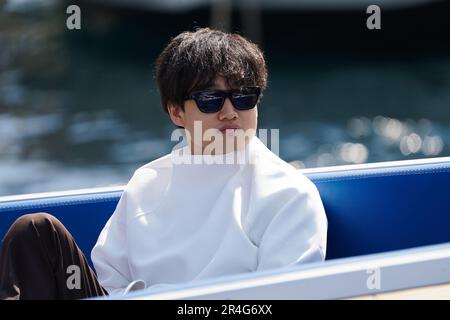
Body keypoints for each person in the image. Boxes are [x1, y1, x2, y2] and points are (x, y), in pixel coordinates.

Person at [0, 27, 327, 300]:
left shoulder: (290, 195)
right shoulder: (147, 181)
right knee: (36, 232)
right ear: (176, 112)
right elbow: (109, 281)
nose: (230, 112)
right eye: (211, 100)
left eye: (244, 97)